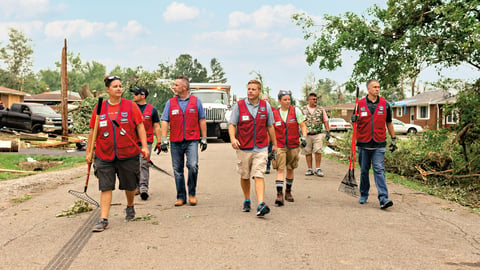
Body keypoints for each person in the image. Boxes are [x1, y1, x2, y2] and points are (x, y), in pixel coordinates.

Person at [87, 75, 149, 232]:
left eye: (120, 86)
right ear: (107, 89)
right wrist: (89, 152)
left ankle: (130, 206)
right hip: (104, 154)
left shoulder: (130, 106)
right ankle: (103, 219)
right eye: (115, 86)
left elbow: (140, 126)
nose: (119, 88)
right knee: (105, 186)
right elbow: (93, 132)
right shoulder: (99, 108)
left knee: (129, 186)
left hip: (128, 153)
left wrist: (145, 147)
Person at [228, 79, 277, 217]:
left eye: (253, 89)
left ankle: (261, 204)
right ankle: (247, 199)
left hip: (261, 147)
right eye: (249, 89)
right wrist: (233, 138)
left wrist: (274, 144)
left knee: (258, 174)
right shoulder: (239, 105)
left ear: (259, 91)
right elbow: (232, 124)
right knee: (245, 175)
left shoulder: (265, 106)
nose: (250, 91)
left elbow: (270, 126)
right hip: (243, 147)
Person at [160, 75, 207, 207]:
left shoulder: (196, 102)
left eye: (176, 85)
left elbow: (202, 120)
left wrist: (204, 138)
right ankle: (181, 196)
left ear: (184, 87)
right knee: (177, 170)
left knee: (192, 166)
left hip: (192, 140)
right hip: (175, 141)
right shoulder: (170, 103)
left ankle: (192, 194)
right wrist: (163, 140)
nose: (173, 87)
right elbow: (164, 120)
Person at [351, 79, 396, 209]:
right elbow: (354, 122)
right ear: (368, 89)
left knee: (379, 170)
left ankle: (383, 198)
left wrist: (393, 139)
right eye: (375, 87)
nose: (377, 89)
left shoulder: (385, 104)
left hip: (379, 144)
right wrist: (353, 119)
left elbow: (389, 123)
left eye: (379, 87)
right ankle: (364, 194)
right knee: (364, 171)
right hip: (363, 144)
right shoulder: (359, 104)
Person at [272, 90, 307, 206]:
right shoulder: (274, 113)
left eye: (289, 99)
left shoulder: (295, 111)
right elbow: (270, 130)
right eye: (285, 99)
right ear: (279, 101)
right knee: (280, 169)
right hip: (280, 145)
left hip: (293, 145)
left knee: (290, 169)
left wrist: (304, 137)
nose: (287, 101)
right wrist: (271, 145)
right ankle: (279, 195)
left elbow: (302, 125)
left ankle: (288, 192)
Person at [132, 86, 162, 201]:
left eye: (136, 93)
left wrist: (158, 141)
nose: (133, 95)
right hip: (133, 141)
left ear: (143, 95)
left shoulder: (152, 109)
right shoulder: (131, 108)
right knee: (134, 165)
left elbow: (156, 126)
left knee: (143, 163)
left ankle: (144, 188)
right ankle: (136, 186)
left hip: (147, 141)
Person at [301, 93, 330, 177]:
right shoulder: (303, 109)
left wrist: (328, 131)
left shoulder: (321, 109)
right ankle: (309, 169)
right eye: (313, 99)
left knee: (318, 150)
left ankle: (318, 168)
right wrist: (300, 133)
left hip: (318, 134)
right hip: (307, 134)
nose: (315, 101)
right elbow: (300, 121)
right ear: (309, 100)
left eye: (316, 99)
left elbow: (325, 120)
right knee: (307, 151)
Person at [261, 94, 273, 174]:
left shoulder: (273, 110)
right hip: (261, 134)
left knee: (269, 150)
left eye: (266, 99)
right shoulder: (258, 109)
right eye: (263, 99)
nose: (265, 101)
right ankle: (261, 167)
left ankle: (268, 167)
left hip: (270, 134)